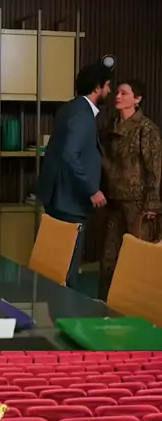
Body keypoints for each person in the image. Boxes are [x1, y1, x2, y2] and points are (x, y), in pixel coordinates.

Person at [35, 63, 112, 289]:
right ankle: (66, 308)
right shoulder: (83, 115)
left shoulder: (69, 108)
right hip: (69, 200)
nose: (110, 90)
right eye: (108, 85)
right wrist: (92, 189)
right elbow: (70, 154)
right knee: (67, 268)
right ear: (97, 88)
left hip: (56, 196)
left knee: (54, 264)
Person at [99, 78, 162, 299]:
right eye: (117, 92)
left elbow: (154, 168)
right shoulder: (111, 127)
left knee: (137, 256)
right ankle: (106, 301)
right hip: (114, 199)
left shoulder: (146, 129)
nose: (118, 96)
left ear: (137, 99)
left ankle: (138, 302)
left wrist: (152, 203)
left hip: (138, 202)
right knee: (110, 255)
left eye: (124, 93)